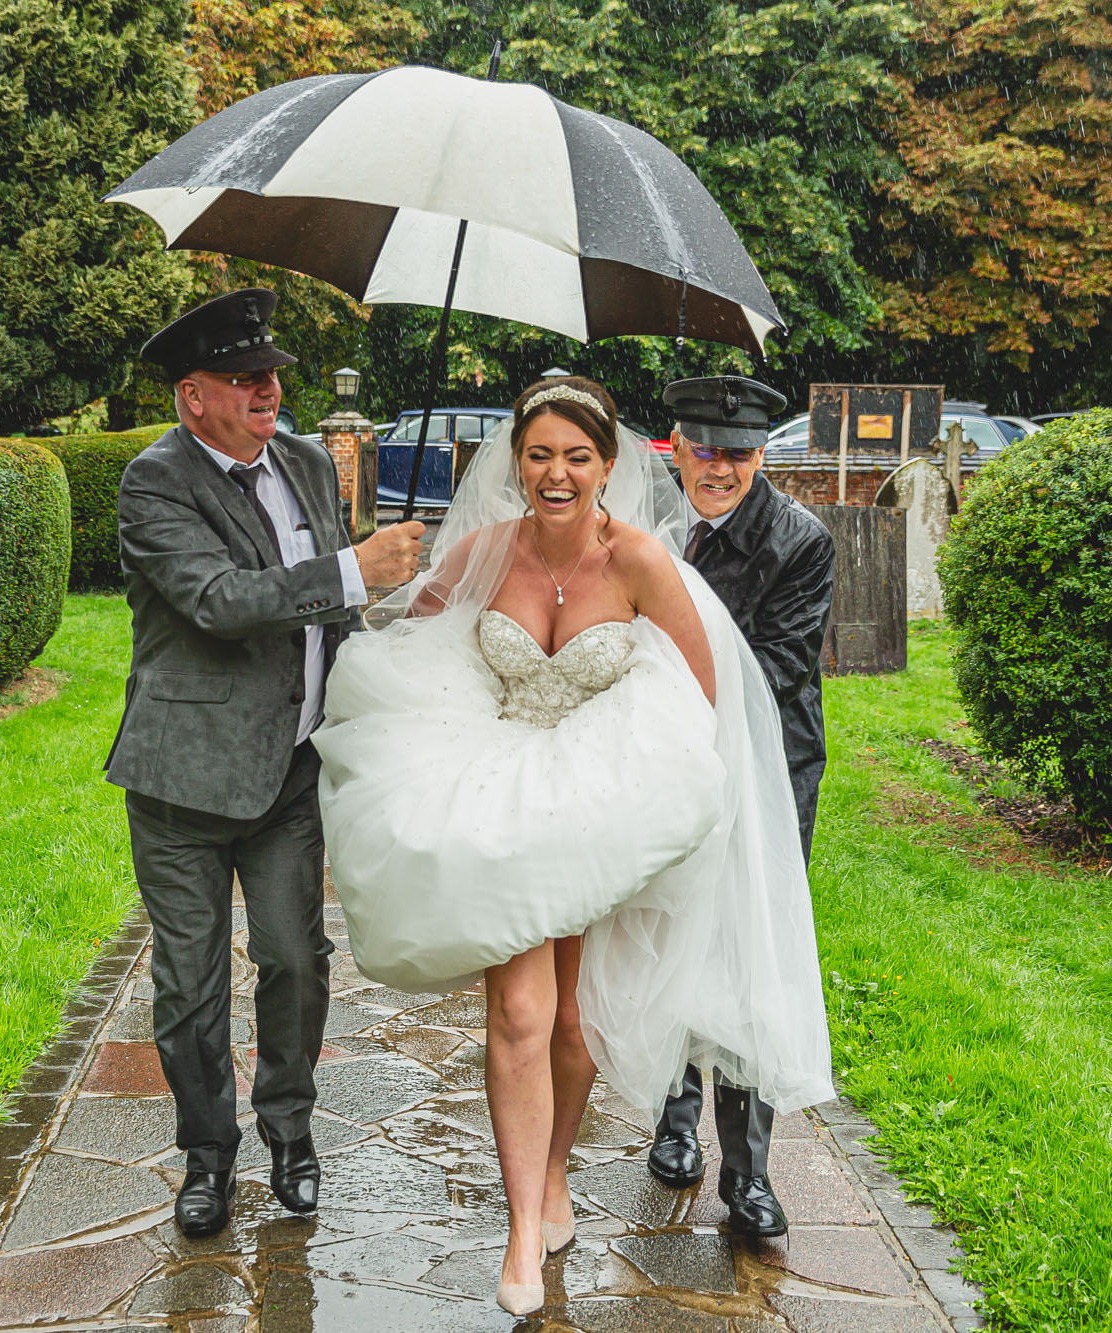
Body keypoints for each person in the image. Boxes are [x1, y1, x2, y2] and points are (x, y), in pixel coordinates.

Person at [314, 376, 833, 1316]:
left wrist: (658, 799)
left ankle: (555, 1171)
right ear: (517, 459)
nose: (557, 473)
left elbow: (703, 691)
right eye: (541, 453)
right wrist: (392, 583)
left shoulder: (638, 560)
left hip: (597, 802)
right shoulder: (482, 549)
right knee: (518, 1008)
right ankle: (522, 1226)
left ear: (608, 465)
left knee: (571, 1021)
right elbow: (411, 636)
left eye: (577, 455)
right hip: (504, 790)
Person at [104, 288, 425, 1238]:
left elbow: (323, 608)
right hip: (183, 782)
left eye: (274, 374)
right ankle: (208, 1156)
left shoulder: (304, 463)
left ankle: (291, 1135)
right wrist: (356, 570)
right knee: (190, 987)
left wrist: (387, 626)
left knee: (295, 961)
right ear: (191, 395)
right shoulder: (151, 483)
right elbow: (219, 599)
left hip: (290, 772)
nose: (269, 390)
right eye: (247, 380)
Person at [648, 375, 835, 1241]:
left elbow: (771, 669)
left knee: (746, 952)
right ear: (676, 445)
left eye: (741, 452)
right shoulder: (654, 529)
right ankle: (674, 1119)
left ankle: (748, 1172)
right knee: (672, 931)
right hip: (666, 764)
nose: (720, 467)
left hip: (764, 768)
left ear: (764, 454)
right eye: (706, 448)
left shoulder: (800, 541)